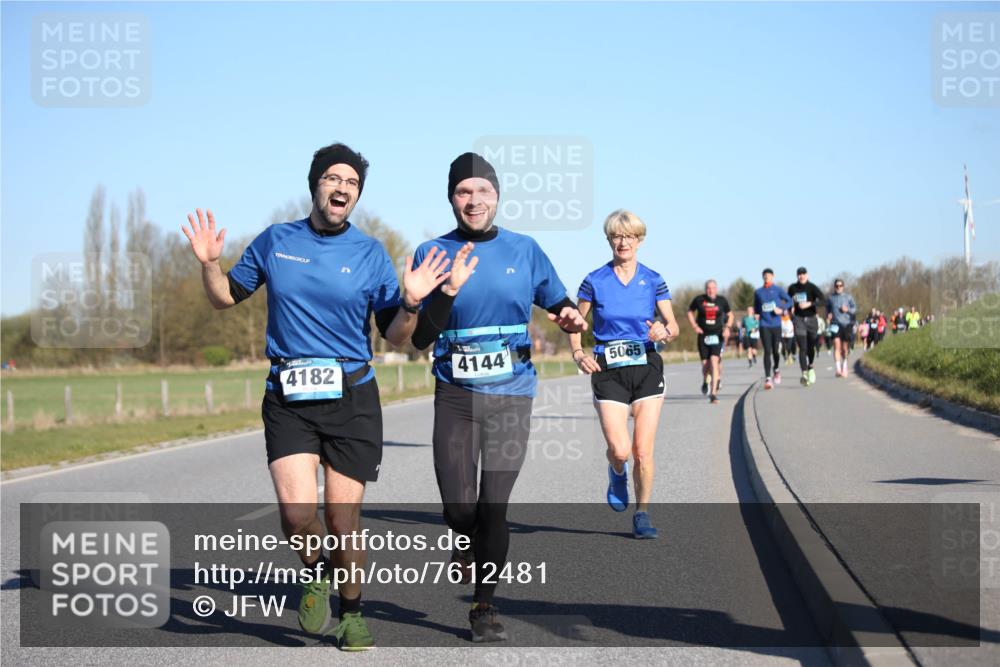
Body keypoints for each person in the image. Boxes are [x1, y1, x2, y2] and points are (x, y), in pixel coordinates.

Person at [182, 143, 455, 651]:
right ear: (315, 185)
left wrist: (414, 302)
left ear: (357, 197)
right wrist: (209, 265)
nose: (342, 188)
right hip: (288, 395)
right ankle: (315, 571)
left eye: (351, 183)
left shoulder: (370, 253)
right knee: (294, 515)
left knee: (342, 519)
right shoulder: (275, 241)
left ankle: (353, 613)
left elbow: (395, 335)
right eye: (333, 178)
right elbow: (224, 298)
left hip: (351, 397)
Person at [410, 152, 586, 643]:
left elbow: (561, 303)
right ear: (451, 198)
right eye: (464, 191)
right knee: (459, 508)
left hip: (512, 394)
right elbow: (419, 338)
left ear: (497, 196)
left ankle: (484, 607)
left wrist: (572, 317)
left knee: (494, 506)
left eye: (483, 191)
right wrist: (443, 291)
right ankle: (462, 537)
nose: (474, 200)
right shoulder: (432, 252)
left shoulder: (524, 250)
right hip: (455, 396)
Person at [570, 209, 678, 536]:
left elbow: (672, 325)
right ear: (609, 240)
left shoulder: (654, 279)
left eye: (630, 236)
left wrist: (664, 331)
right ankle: (617, 470)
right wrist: (578, 351)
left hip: (646, 367)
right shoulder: (594, 280)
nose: (623, 242)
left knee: (643, 451)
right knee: (621, 450)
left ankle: (642, 514)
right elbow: (576, 322)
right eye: (617, 236)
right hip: (608, 371)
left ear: (640, 240)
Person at [688, 280, 732, 404]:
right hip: (703, 335)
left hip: (717, 335)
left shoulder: (722, 300)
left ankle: (713, 394)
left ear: (716, 289)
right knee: (705, 365)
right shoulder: (699, 299)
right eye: (708, 288)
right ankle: (706, 380)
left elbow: (731, 314)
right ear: (706, 289)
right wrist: (694, 326)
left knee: (714, 361)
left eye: (713, 288)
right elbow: (690, 311)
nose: (711, 290)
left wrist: (727, 328)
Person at [786, 266, 826, 386]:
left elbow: (823, 300)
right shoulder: (792, 288)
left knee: (810, 347)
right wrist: (790, 309)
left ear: (807, 275)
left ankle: (811, 366)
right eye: (799, 274)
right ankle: (804, 373)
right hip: (799, 319)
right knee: (802, 347)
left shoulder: (812, 287)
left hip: (812, 319)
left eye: (803, 274)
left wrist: (810, 303)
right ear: (797, 276)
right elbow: (788, 301)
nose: (801, 276)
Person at [753, 269, 792, 390]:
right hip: (764, 324)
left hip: (776, 324)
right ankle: (768, 378)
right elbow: (757, 307)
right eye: (764, 276)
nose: (766, 278)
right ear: (762, 277)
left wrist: (783, 309)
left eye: (768, 276)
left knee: (776, 350)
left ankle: (776, 369)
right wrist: (757, 314)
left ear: (773, 277)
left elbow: (790, 301)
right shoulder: (758, 292)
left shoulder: (778, 289)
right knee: (767, 350)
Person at [826, 278, 857, 377]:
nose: (838, 287)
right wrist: (828, 315)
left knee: (844, 348)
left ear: (843, 287)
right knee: (836, 345)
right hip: (835, 324)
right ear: (834, 287)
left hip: (846, 324)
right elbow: (827, 309)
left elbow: (855, 309)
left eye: (840, 286)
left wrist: (847, 309)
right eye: (836, 286)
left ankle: (844, 367)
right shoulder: (831, 298)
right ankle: (838, 369)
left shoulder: (848, 297)